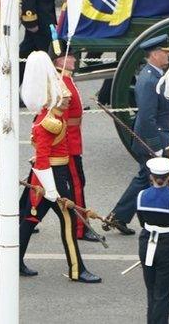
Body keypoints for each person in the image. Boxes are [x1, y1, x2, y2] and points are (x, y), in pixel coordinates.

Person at [17, 51, 100, 283]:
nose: (67, 101)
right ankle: (77, 269)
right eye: (64, 99)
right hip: (50, 177)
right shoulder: (49, 122)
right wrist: (52, 189)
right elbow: (43, 159)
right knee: (66, 221)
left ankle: (15, 260)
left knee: (31, 219)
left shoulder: (54, 117)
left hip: (53, 176)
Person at [107, 35, 169, 234]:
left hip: (156, 137)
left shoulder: (154, 76)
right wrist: (156, 147)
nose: (167, 55)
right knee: (147, 177)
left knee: (145, 178)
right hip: (153, 139)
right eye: (165, 52)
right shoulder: (149, 80)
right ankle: (119, 216)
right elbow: (146, 117)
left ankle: (118, 217)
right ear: (154, 54)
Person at [51, 36, 100, 242]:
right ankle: (80, 228)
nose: (73, 59)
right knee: (77, 184)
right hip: (67, 141)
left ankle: (26, 216)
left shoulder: (66, 78)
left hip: (73, 137)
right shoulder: (60, 82)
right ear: (58, 61)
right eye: (68, 56)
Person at [136, 157, 169, 324]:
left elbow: (142, 221)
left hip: (147, 241)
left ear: (151, 177)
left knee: (151, 290)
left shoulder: (141, 195)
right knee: (162, 293)